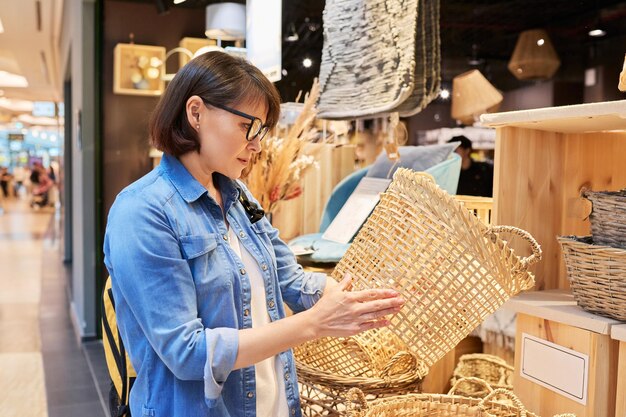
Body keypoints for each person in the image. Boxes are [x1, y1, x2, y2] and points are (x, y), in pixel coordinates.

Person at [103, 51, 404, 417]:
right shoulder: (142, 212)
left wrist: (352, 297)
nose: (257, 144)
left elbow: (287, 278)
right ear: (196, 113)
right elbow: (188, 353)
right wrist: (312, 324)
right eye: (249, 126)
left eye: (261, 131)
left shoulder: (237, 194)